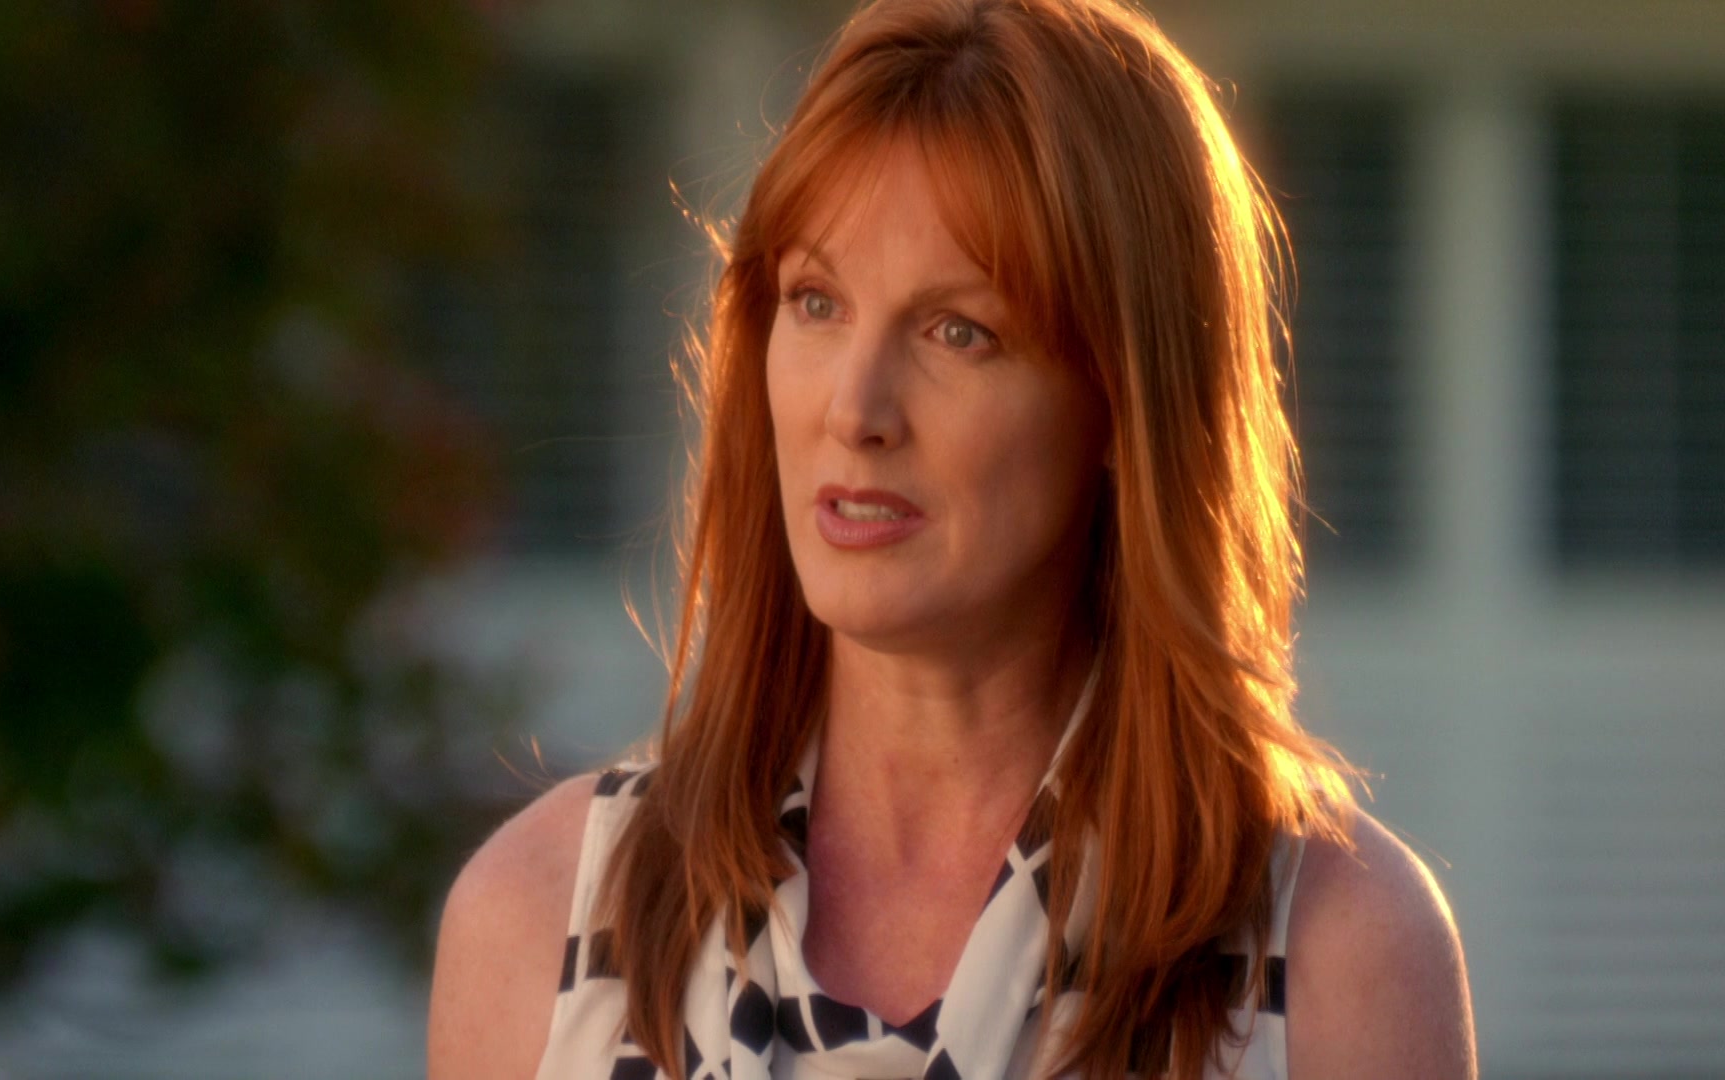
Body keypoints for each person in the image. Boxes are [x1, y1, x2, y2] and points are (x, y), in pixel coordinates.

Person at [430, 0, 1476, 1076]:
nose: (856, 410)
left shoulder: (1338, 957)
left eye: (957, 332)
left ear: (1125, 404)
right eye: (816, 301)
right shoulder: (538, 923)